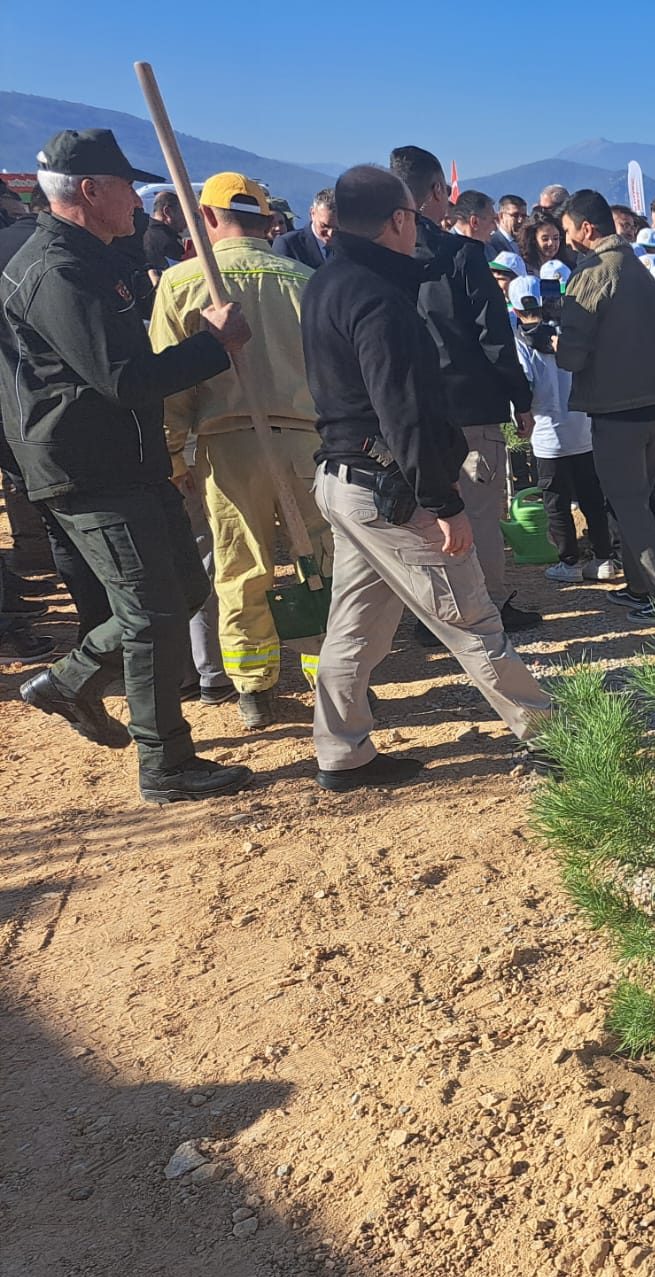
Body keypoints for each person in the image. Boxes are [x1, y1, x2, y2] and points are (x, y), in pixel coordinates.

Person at [2, 128, 258, 803]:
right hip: (86, 465)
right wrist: (215, 345)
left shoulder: (98, 259)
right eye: (125, 188)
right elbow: (122, 378)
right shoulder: (57, 271)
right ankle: (166, 764)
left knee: (183, 592)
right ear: (89, 191)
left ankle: (67, 682)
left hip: (129, 457)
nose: (138, 203)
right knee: (151, 612)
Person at [300, 165, 555, 791]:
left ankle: (341, 751)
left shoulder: (328, 282)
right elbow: (403, 411)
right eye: (416, 216)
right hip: (391, 490)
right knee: (473, 621)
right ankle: (557, 738)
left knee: (354, 624)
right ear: (398, 220)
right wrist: (442, 502)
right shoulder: (378, 298)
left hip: (344, 480)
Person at [149, 172, 328, 730]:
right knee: (318, 564)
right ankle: (331, 680)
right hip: (306, 440)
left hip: (226, 446)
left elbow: (167, 386)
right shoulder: (304, 278)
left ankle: (253, 690)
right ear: (269, 221)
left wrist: (172, 457)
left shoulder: (181, 283)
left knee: (239, 566)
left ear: (205, 218)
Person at [388, 147, 538, 634]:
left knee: (417, 513)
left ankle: (426, 615)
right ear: (438, 193)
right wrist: (521, 398)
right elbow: (494, 335)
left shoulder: (375, 258)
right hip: (469, 405)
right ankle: (484, 609)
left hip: (402, 409)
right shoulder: (460, 257)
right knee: (478, 511)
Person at [555, 186, 655, 617]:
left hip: (615, 409)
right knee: (639, 502)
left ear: (587, 229)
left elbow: (572, 354)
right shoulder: (639, 269)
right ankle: (640, 588)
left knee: (627, 504)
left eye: (568, 230)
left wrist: (552, 339)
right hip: (653, 405)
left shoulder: (593, 272)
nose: (566, 238)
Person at [505, 276, 617, 583]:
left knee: (556, 501)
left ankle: (570, 562)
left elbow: (524, 384)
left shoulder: (520, 341)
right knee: (592, 496)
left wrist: (520, 417)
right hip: (583, 428)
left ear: (515, 310)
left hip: (547, 435)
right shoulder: (569, 333)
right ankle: (604, 557)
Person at [275, 187, 333, 268]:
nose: (330, 233)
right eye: (324, 226)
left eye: (337, 227)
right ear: (312, 213)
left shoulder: (348, 246)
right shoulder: (288, 244)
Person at [141, 189, 185, 273]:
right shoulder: (168, 241)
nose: (187, 219)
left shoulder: (142, 232)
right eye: (183, 213)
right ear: (168, 212)